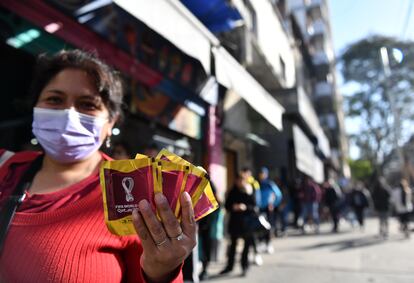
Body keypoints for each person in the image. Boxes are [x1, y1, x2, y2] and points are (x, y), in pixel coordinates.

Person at [0, 50, 196, 282]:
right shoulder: (5, 168)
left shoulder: (135, 192)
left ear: (110, 122)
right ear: (35, 109)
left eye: (87, 104)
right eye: (54, 99)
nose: (68, 114)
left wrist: (162, 271)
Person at [220, 174, 256, 277]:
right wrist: (233, 207)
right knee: (233, 246)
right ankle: (229, 266)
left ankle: (245, 266)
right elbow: (227, 206)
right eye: (238, 180)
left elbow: (254, 207)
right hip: (235, 222)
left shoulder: (249, 191)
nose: (240, 183)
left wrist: (245, 207)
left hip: (247, 223)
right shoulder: (233, 191)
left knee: (246, 246)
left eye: (242, 180)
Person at [257, 167, 282, 254]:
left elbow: (278, 195)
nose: (261, 175)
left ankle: (268, 244)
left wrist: (273, 204)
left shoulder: (270, 184)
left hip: (268, 208)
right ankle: (261, 243)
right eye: (260, 174)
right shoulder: (257, 184)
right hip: (259, 208)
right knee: (259, 226)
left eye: (263, 173)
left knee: (268, 226)